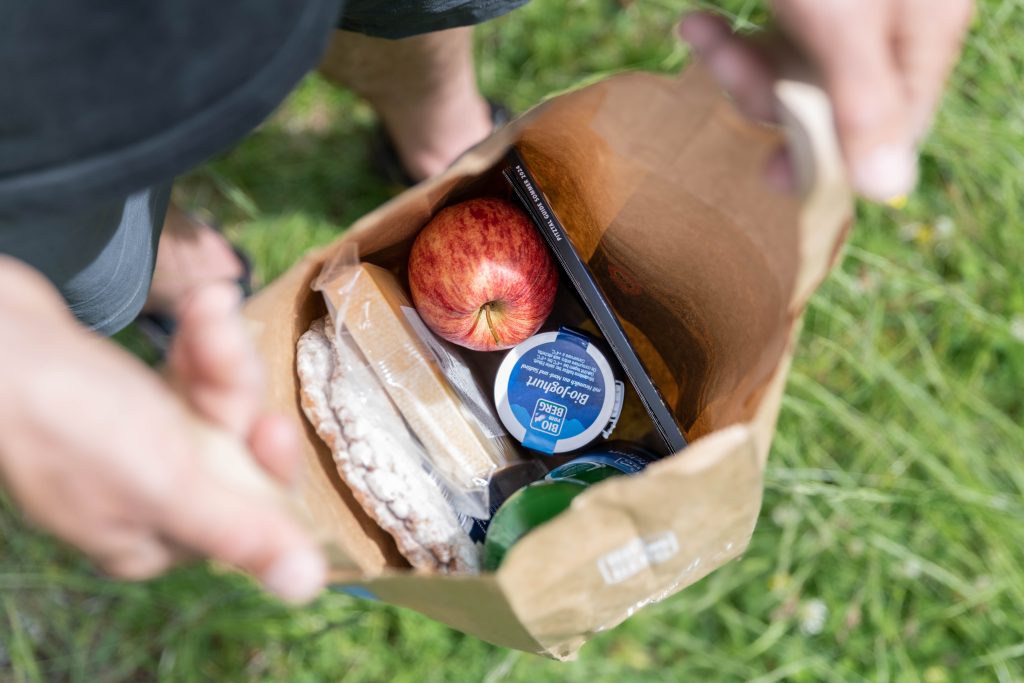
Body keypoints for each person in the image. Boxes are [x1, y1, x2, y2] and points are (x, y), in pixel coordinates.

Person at [0, 0, 972, 604]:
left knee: (423, 4)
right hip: (44, 104)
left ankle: (437, 141)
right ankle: (171, 267)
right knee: (98, 257)